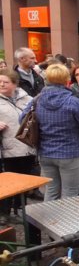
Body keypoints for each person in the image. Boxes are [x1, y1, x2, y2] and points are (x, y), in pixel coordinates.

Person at [21, 64, 79, 201]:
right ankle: (66, 222)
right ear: (67, 80)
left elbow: (22, 119)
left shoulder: (37, 100)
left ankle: (50, 222)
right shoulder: (72, 102)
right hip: (70, 152)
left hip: (45, 152)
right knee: (70, 192)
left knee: (51, 190)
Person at [0, 69, 36, 223]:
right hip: (9, 148)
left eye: (5, 82)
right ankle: (5, 212)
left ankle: (20, 208)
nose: (1, 84)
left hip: (27, 147)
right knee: (9, 183)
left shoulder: (26, 98)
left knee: (24, 182)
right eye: (0, 82)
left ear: (15, 84)